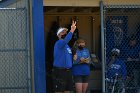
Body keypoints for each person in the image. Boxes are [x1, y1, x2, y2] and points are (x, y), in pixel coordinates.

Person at [52, 20, 76, 93]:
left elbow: (68, 56)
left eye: (65, 32)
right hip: (60, 71)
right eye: (63, 32)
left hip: (68, 71)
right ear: (58, 35)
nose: (65, 33)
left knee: (67, 90)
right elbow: (66, 39)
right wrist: (72, 31)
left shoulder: (67, 46)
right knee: (59, 90)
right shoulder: (59, 43)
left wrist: (73, 56)